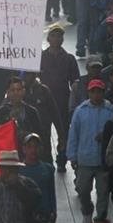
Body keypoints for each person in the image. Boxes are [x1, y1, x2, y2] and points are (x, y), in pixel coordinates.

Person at [67, 79, 113, 223]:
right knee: (83, 190)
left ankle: (100, 218)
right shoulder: (80, 111)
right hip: (85, 159)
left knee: (103, 193)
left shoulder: (110, 110)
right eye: (93, 91)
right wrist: (72, 155)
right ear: (89, 93)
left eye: (99, 91)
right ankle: (87, 211)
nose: (96, 94)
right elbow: (73, 134)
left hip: (103, 160)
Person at [40, 24, 80, 172]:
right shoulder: (41, 57)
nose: (57, 38)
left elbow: (75, 81)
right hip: (43, 101)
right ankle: (47, 161)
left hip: (62, 100)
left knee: (63, 132)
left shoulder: (69, 59)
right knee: (44, 132)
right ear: (48, 38)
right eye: (54, 35)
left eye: (60, 36)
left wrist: (74, 100)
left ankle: (62, 160)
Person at [0, 77, 44, 147]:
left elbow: (39, 135)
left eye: (19, 90)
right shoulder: (1, 112)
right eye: (12, 90)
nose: (16, 93)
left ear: (23, 91)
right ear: (8, 92)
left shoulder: (32, 111)